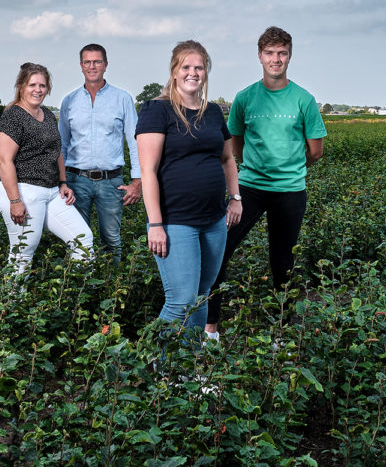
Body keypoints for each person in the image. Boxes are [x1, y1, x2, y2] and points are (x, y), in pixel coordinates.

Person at [205, 26, 326, 338]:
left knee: (283, 262)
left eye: (282, 53)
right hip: (248, 189)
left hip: (290, 192)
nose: (276, 59)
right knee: (219, 249)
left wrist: (290, 168)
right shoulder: (245, 98)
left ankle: (282, 336)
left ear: (290, 56)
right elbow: (235, 144)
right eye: (270, 53)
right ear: (260, 56)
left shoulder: (304, 99)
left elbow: (315, 150)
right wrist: (253, 168)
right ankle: (211, 331)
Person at [136, 40, 243, 335]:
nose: (192, 73)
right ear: (174, 71)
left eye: (199, 67)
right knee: (180, 300)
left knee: (201, 294)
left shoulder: (211, 112)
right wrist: (155, 223)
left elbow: (227, 158)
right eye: (186, 67)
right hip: (175, 220)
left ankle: (189, 371)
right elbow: (148, 171)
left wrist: (235, 198)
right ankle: (154, 366)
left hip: (213, 220)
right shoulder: (156, 110)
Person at [0, 62, 93, 274]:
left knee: (83, 239)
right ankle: (11, 304)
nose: (38, 90)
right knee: (23, 251)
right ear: (21, 86)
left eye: (42, 85)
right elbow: (4, 161)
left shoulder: (47, 114)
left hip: (50, 191)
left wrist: (63, 182)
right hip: (23, 190)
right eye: (32, 85)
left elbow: (56, 151)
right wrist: (15, 200)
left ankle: (79, 295)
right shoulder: (13, 116)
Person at [58, 44, 142, 264]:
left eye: (97, 61)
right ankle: (80, 290)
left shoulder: (122, 99)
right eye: (87, 62)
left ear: (105, 65)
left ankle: (110, 289)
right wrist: (61, 181)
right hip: (77, 180)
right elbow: (62, 145)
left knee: (111, 239)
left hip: (111, 181)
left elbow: (135, 142)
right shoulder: (69, 101)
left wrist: (137, 180)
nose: (92, 66)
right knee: (77, 239)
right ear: (81, 66)